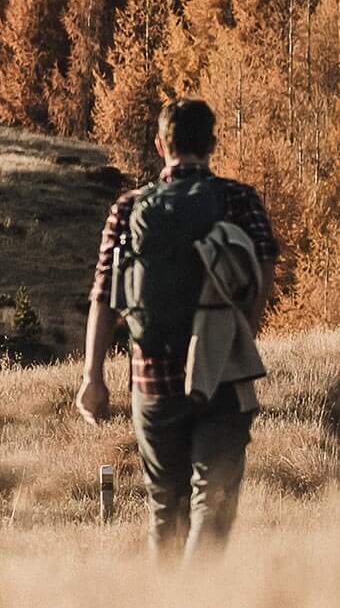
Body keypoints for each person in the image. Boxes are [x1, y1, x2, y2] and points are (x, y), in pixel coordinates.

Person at [75, 97, 278, 558]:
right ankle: (197, 607)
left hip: (152, 375)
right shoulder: (238, 200)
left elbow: (104, 294)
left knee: (166, 504)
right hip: (222, 370)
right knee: (215, 498)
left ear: (160, 144)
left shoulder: (128, 208)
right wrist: (242, 330)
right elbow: (263, 268)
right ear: (212, 143)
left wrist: (93, 376)